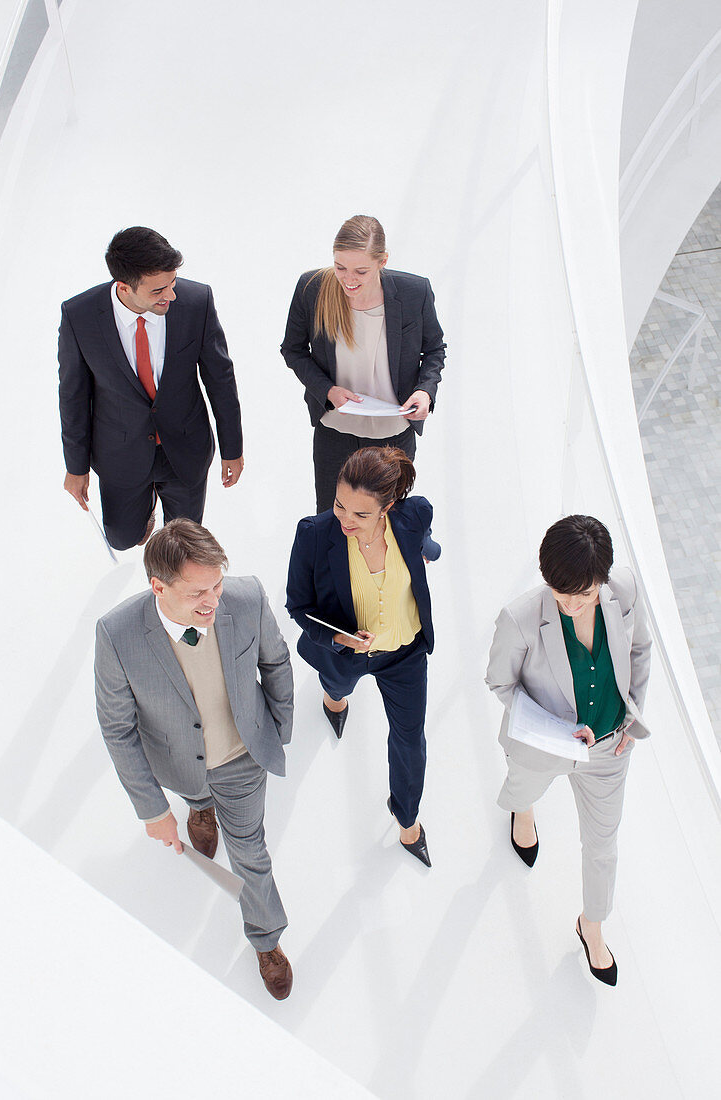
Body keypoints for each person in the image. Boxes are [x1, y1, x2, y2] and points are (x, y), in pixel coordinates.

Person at [95, 519, 294, 999]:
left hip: (242, 758)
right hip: (178, 765)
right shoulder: (116, 634)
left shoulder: (246, 599)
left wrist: (279, 730)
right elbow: (117, 728)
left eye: (216, 585)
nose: (212, 601)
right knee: (196, 798)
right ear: (157, 586)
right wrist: (153, 809)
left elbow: (275, 662)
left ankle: (266, 938)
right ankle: (198, 809)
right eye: (196, 593)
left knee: (249, 852)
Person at [485, 515, 652, 986]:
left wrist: (631, 717)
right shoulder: (519, 618)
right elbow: (501, 682)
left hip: (609, 750)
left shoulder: (625, 588)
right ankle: (523, 813)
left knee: (603, 846)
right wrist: (555, 731)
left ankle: (592, 927)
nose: (575, 605)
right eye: (563, 595)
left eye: (586, 594)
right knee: (521, 791)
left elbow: (641, 649)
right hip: (543, 747)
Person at [286, 446, 440, 866]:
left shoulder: (413, 516)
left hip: (405, 653)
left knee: (410, 740)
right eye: (339, 505)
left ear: (387, 507)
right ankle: (334, 700)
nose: (345, 521)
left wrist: (428, 548)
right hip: (346, 654)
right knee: (336, 687)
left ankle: (407, 820)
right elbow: (297, 606)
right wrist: (339, 641)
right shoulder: (314, 534)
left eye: (360, 514)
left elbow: (424, 537)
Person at [59, 226, 244, 551]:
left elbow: (221, 378)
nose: (170, 295)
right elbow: (73, 396)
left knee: (183, 547)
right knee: (122, 539)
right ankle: (144, 514)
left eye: (172, 283)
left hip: (185, 450)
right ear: (124, 287)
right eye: (158, 290)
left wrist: (233, 448)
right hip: (120, 453)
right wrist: (75, 467)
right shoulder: (79, 316)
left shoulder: (196, 302)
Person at [281, 214, 446, 513]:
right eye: (340, 267)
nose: (348, 279)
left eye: (361, 270)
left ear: (382, 261)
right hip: (335, 431)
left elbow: (434, 349)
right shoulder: (312, 288)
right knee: (332, 524)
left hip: (393, 434)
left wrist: (425, 391)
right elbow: (292, 350)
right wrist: (328, 390)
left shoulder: (414, 292)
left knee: (385, 525)